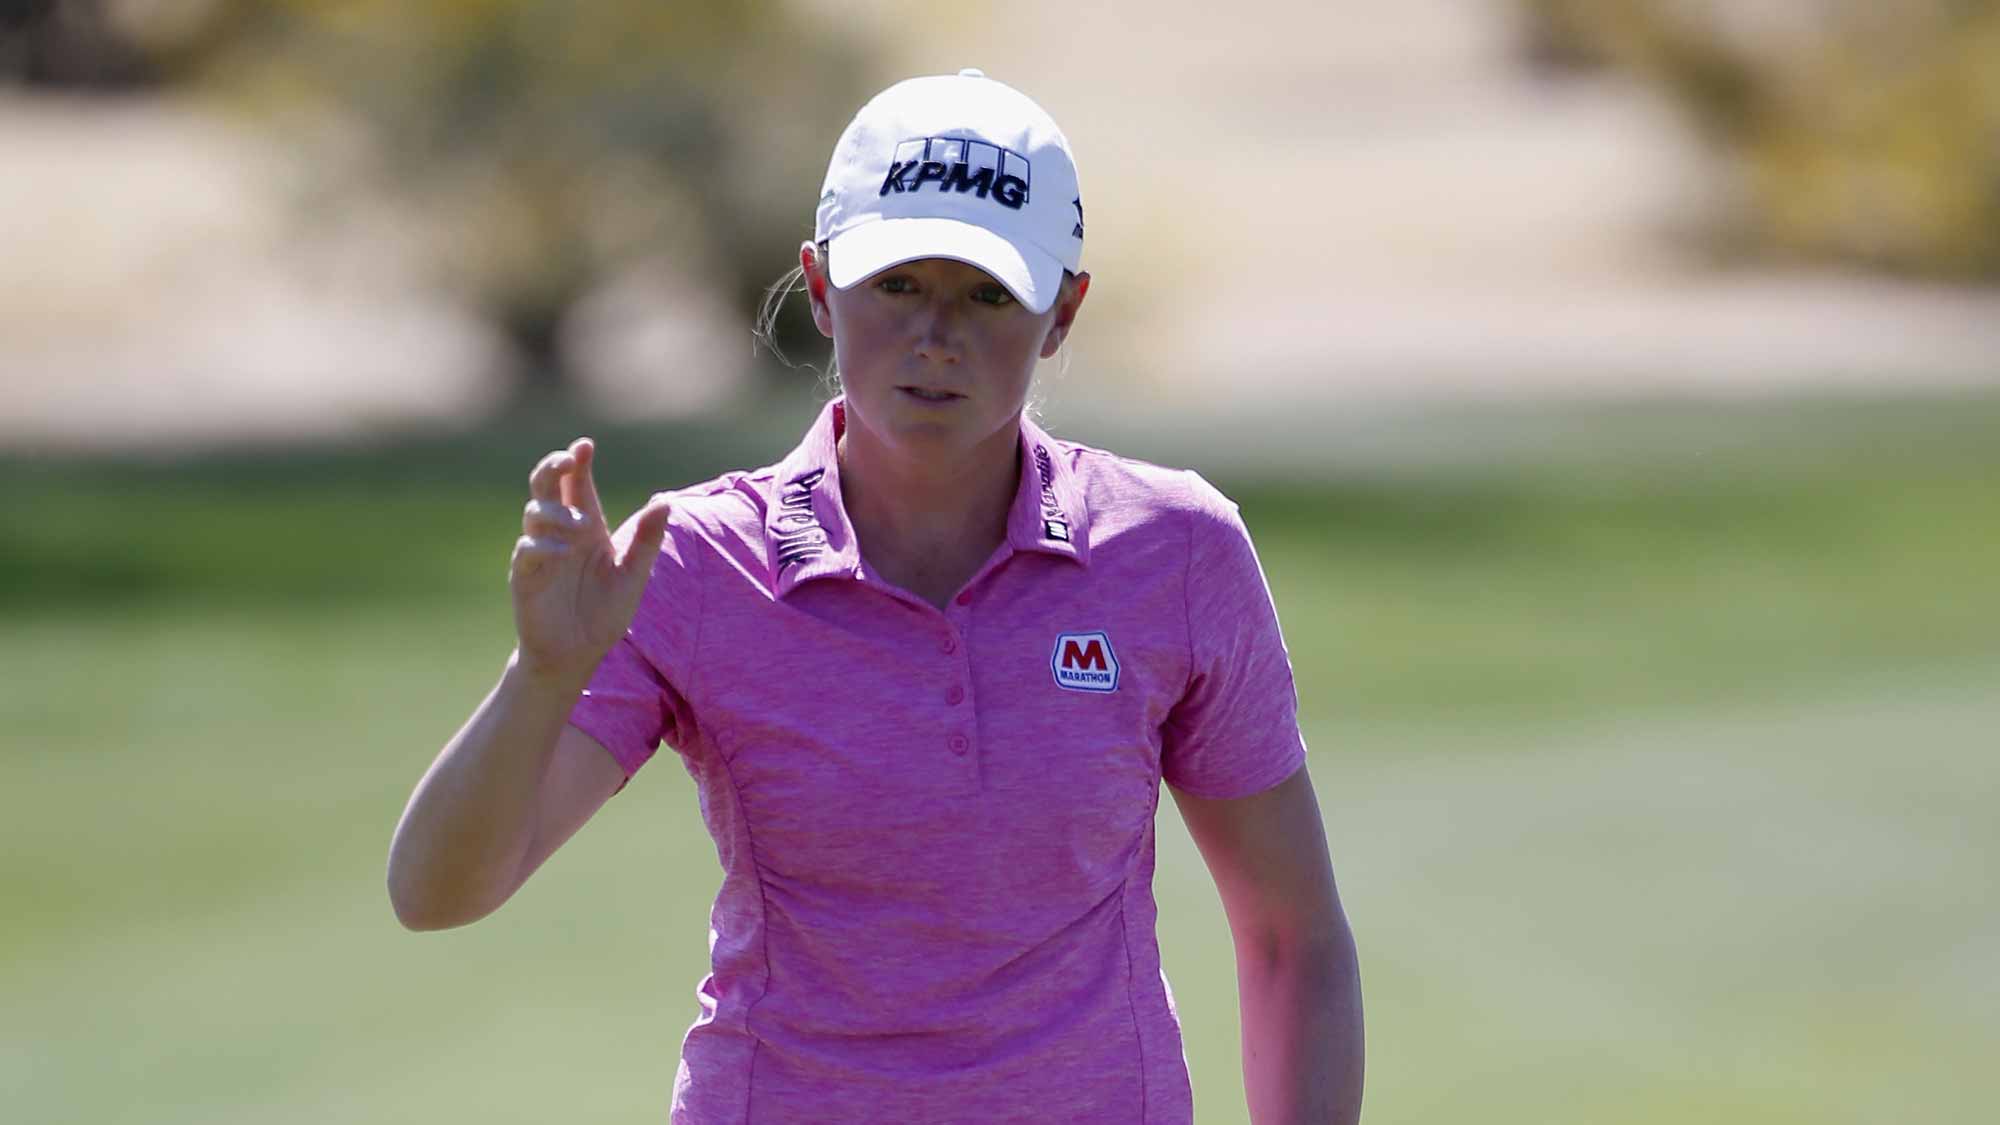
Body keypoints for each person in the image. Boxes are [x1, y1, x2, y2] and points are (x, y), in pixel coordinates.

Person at [387, 69, 1363, 1124]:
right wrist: (541, 676)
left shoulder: (1172, 552)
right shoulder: (693, 562)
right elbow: (438, 894)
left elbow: (1288, 938)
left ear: (1061, 312)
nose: (935, 335)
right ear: (818, 288)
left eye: (987, 294)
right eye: (895, 284)